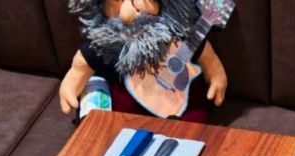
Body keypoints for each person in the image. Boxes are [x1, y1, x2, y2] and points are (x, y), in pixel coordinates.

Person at [59, 0, 228, 122]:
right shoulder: (108, 42)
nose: (127, 13)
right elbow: (81, 65)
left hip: (182, 107)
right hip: (127, 116)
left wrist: (216, 75)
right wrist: (71, 85)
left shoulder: (178, 33)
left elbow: (207, 57)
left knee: (193, 123)